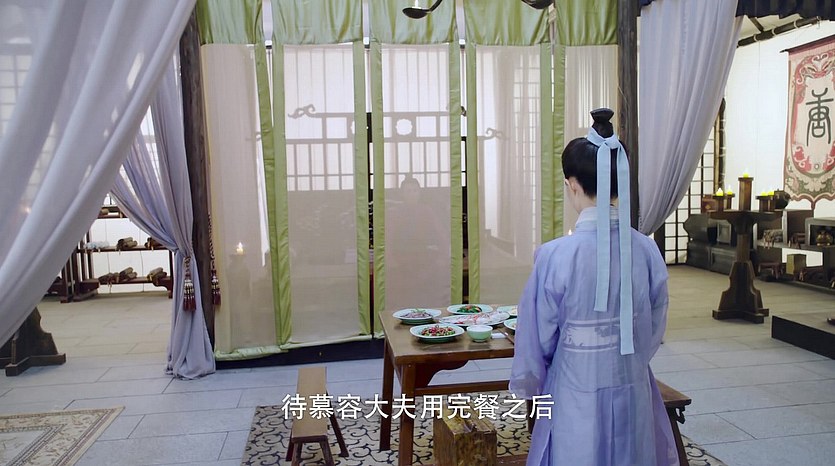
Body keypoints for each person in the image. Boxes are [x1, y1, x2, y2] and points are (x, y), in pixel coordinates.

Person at [509, 109, 679, 466]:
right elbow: (654, 325)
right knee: (631, 454)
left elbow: (539, 337)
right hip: (631, 380)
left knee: (578, 452)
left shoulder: (555, 255)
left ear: (572, 184)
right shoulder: (646, 249)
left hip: (575, 383)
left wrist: (540, 378)